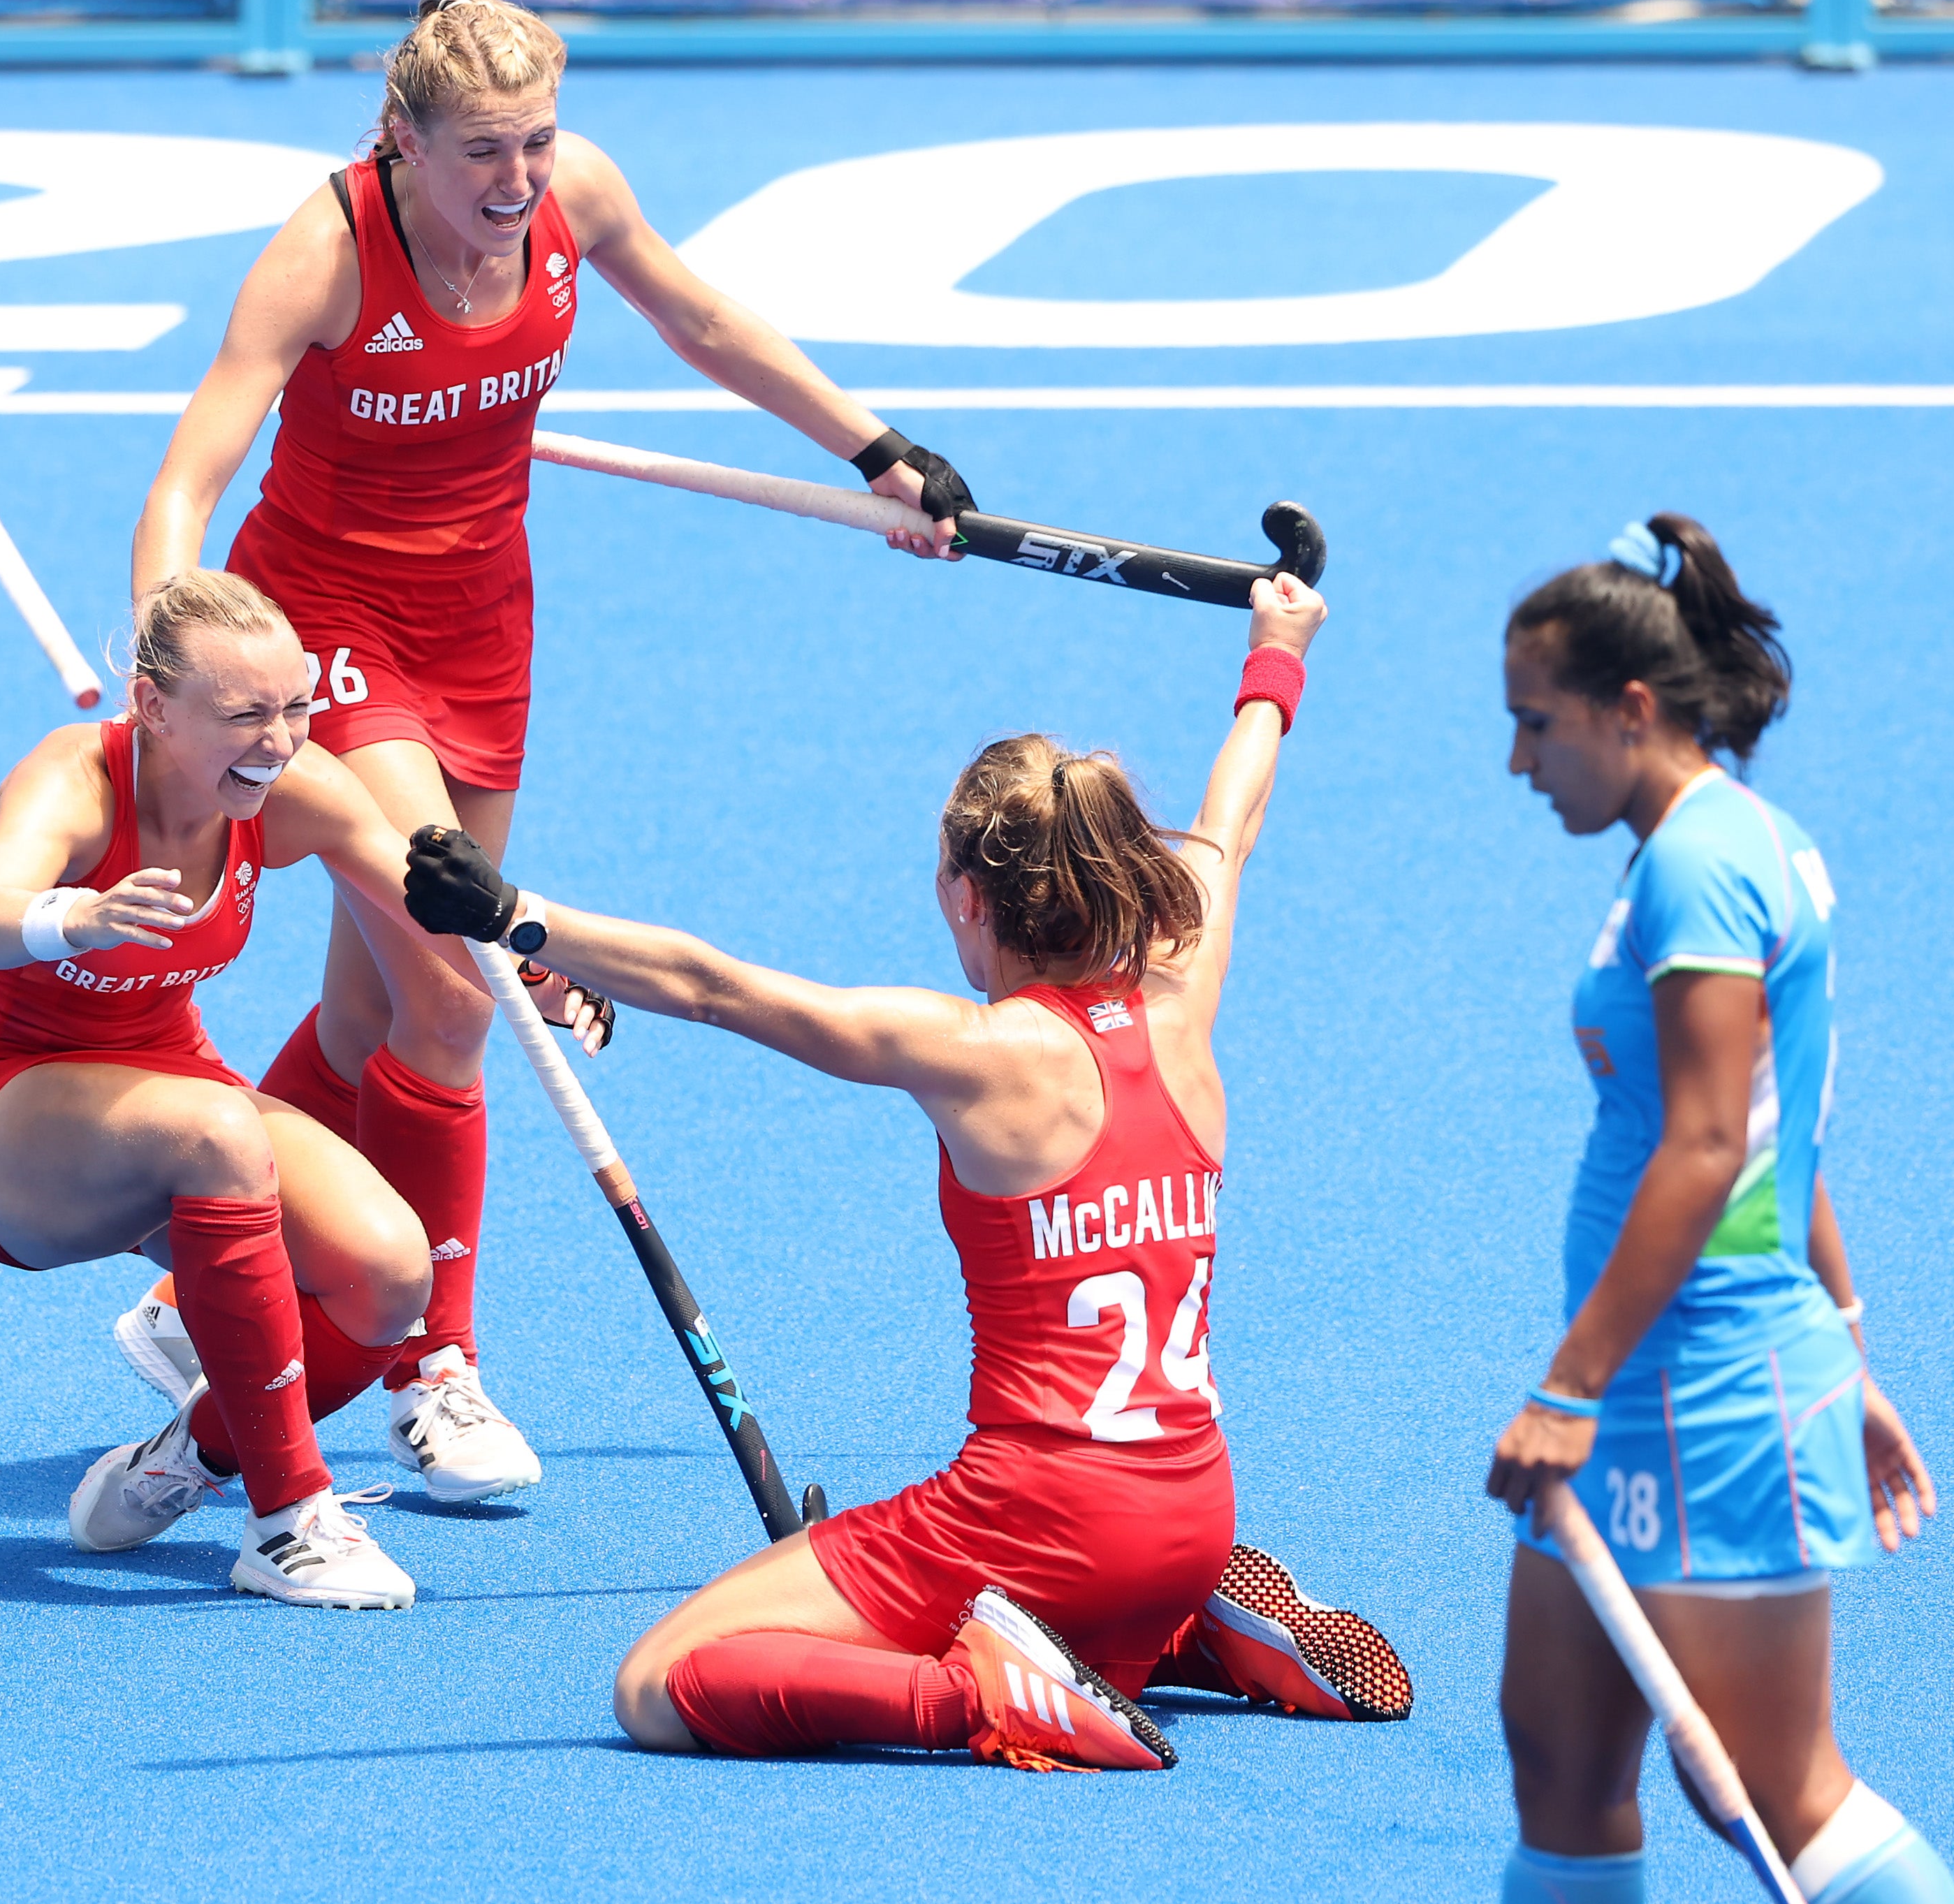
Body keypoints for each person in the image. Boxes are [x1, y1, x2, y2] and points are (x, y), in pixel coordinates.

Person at [117, 0, 977, 1506]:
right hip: (325, 633)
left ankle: (195, 1292)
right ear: (402, 138)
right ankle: (430, 1364)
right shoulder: (327, 249)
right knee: (456, 985)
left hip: (485, 633)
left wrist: (875, 448)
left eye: (537, 143)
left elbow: (701, 312)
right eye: (483, 153)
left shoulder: (572, 193)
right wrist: (166, 659)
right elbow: (192, 470)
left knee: (378, 1019)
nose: (519, 182)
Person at [404, 574, 1415, 1769]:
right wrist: (1276, 654)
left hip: (1036, 1520)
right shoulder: (1183, 987)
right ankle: (1182, 1627)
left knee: (659, 1683)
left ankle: (990, 1694)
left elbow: (723, 988)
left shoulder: (981, 1053)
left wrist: (519, 912)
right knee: (1087, 1584)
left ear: (971, 897)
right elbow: (1232, 813)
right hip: (1195, 1509)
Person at [0, 569, 601, 1611]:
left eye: (297, 704)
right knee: (221, 1129)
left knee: (388, 1275)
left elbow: (428, 910)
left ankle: (187, 1457)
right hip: (8, 1112)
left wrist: (536, 970)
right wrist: (68, 919)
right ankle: (291, 1519)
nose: (279, 738)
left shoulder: (294, 791)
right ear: (154, 707)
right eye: (246, 714)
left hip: (174, 1092)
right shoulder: (74, 782)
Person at [1482, 517, 1948, 1903]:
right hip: (1666, 1370)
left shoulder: (1703, 864)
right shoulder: (1727, 844)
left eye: (1536, 724)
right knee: (1560, 1762)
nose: (1520, 763)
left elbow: (1705, 1145)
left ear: (1632, 710)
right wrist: (1850, 1345)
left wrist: (1568, 1387)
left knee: (1777, 1785)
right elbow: (1778, 1141)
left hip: (1707, 1378)